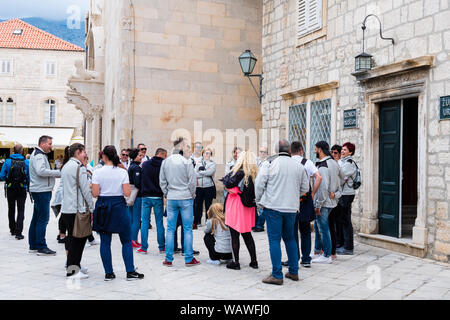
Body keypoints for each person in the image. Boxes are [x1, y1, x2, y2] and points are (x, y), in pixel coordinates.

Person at [255, 140, 309, 285]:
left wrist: (258, 200)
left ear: (276, 149)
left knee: (274, 240)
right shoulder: (298, 166)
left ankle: (277, 274)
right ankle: (293, 271)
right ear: (290, 150)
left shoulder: (270, 163)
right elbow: (305, 188)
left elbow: (259, 183)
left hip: (273, 206)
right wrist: (292, 195)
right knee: (290, 238)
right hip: (291, 208)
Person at [91, 145, 144, 281]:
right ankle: (130, 271)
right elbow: (127, 193)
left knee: (105, 241)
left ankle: (109, 273)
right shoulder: (122, 172)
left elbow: (95, 194)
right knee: (126, 240)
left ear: (103, 156)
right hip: (119, 206)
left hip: (103, 205)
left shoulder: (97, 172)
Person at [159, 137, 200, 267]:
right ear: (181, 146)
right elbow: (192, 181)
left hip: (171, 197)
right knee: (187, 229)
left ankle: (169, 258)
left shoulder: (166, 162)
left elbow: (162, 181)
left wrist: (167, 193)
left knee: (170, 229)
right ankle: (188, 258)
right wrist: (191, 194)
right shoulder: (186, 162)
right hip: (185, 197)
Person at [282, 141, 322, 268]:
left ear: (290, 152)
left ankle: (293, 258)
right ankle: (306, 259)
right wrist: (313, 193)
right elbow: (319, 177)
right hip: (305, 199)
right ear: (301, 151)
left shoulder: (287, 163)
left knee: (291, 231)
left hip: (291, 199)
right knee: (305, 231)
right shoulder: (307, 162)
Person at [61, 143, 95, 280]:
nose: (85, 155)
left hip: (67, 208)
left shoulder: (66, 166)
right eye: (84, 152)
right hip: (77, 209)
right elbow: (85, 190)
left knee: (73, 239)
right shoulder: (79, 168)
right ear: (78, 152)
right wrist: (92, 207)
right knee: (79, 240)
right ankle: (73, 270)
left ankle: (75, 266)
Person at [222, 151, 258, 271]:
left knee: (234, 234)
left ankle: (236, 262)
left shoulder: (239, 172)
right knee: (247, 234)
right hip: (248, 207)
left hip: (236, 204)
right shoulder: (254, 173)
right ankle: (254, 261)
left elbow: (228, 185)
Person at [29, 135, 61, 256]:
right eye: (49, 143)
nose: (51, 146)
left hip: (39, 189)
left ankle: (33, 245)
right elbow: (41, 171)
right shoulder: (39, 155)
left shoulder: (38, 154)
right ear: (42, 143)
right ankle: (41, 247)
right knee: (43, 219)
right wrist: (58, 173)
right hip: (41, 190)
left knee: (36, 218)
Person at [311, 141, 341, 264]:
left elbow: (323, 187)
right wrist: (337, 196)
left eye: (315, 149)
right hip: (331, 201)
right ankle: (317, 251)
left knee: (323, 229)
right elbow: (340, 183)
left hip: (324, 203)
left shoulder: (323, 165)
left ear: (320, 150)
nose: (314, 151)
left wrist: (318, 204)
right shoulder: (334, 163)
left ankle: (327, 255)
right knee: (319, 228)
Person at [138, 148, 167, 254]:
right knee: (159, 222)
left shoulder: (145, 164)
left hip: (145, 196)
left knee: (145, 222)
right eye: (165, 155)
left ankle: (144, 247)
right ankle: (162, 247)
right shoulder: (164, 164)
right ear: (162, 154)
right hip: (157, 196)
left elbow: (140, 178)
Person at [0, 143, 29, 240]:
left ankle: (12, 229)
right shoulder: (26, 162)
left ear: (13, 150)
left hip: (10, 188)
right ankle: (18, 232)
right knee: (21, 209)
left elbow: (1, 176)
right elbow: (29, 176)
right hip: (22, 188)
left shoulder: (7, 161)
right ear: (22, 151)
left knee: (11, 209)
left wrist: (8, 180)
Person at [336, 142, 357, 256]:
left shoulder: (349, 163)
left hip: (347, 194)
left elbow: (341, 176)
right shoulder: (342, 161)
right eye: (342, 149)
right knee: (341, 220)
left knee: (345, 220)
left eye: (345, 150)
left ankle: (348, 247)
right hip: (342, 193)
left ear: (350, 152)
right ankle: (341, 244)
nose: (342, 151)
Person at [51, 146, 70, 244]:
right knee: (64, 215)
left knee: (63, 215)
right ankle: (62, 235)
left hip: (62, 193)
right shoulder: (69, 165)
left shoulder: (65, 164)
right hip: (65, 193)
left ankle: (61, 234)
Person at [193, 147, 216, 228]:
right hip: (199, 187)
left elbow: (210, 172)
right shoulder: (198, 163)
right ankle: (197, 221)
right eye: (206, 153)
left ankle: (208, 221)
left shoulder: (213, 164)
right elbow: (194, 174)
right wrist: (204, 172)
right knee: (198, 204)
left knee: (208, 205)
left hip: (208, 187)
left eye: (209, 153)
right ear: (202, 154)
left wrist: (201, 172)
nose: (207, 155)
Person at [328, 144, 342, 260]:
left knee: (334, 224)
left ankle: (333, 249)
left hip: (336, 198)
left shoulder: (339, 166)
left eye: (335, 153)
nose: (333, 155)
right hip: (331, 199)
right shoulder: (331, 164)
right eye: (331, 152)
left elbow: (340, 184)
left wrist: (335, 194)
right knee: (331, 224)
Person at [127, 148, 143, 249]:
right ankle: (133, 239)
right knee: (136, 219)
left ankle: (133, 239)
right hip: (137, 196)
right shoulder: (136, 168)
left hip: (131, 195)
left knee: (132, 218)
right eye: (140, 156)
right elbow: (137, 183)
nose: (141, 157)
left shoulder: (131, 166)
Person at [253, 145, 269, 232]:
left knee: (262, 207)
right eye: (261, 152)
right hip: (255, 186)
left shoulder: (267, 163)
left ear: (267, 154)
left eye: (264, 152)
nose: (262, 153)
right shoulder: (256, 162)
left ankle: (260, 225)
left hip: (263, 187)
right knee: (255, 206)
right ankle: (255, 223)